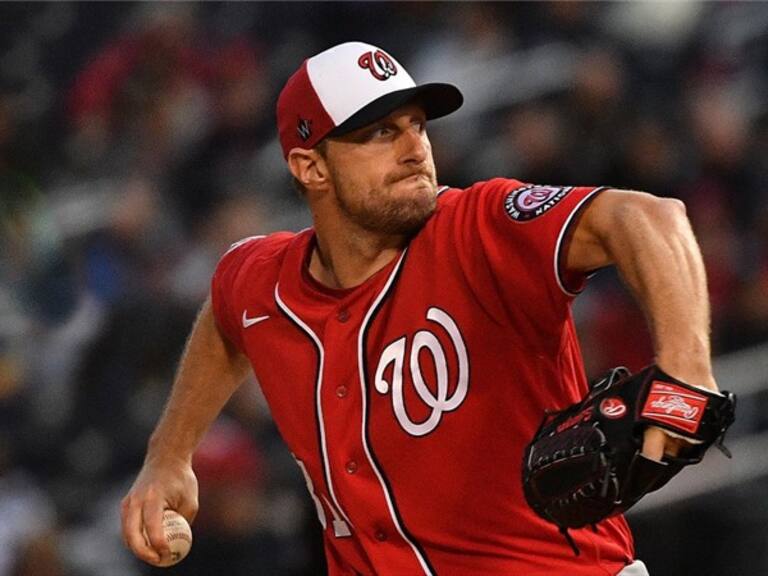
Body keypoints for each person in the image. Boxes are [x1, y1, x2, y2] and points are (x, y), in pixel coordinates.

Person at [121, 41, 720, 575]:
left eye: (417, 125)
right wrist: (169, 455)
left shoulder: (478, 228)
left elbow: (647, 218)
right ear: (310, 167)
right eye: (380, 132)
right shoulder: (262, 280)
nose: (414, 148)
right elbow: (227, 319)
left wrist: (686, 372)